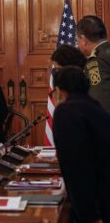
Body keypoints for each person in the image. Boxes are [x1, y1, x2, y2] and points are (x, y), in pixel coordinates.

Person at [52, 66, 110, 223]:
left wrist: (90, 215)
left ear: (59, 90)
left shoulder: (67, 111)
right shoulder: (93, 106)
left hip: (98, 203)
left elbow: (76, 167)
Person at [76, 15, 110, 111]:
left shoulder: (96, 61)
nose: (78, 44)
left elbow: (100, 99)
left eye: (77, 40)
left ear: (84, 40)